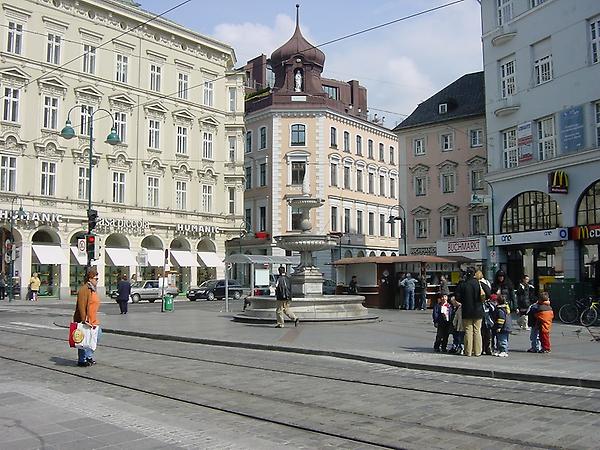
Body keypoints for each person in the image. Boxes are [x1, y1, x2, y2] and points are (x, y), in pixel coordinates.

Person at [456, 267, 489, 357]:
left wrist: (464, 300)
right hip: (478, 311)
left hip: (467, 310)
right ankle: (478, 351)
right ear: (474, 274)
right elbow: (489, 293)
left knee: (468, 331)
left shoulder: (463, 284)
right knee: (477, 331)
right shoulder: (479, 284)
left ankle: (468, 351)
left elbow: (457, 297)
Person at [73, 268, 101, 367]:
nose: (97, 280)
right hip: (85, 320)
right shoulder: (84, 289)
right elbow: (81, 305)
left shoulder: (92, 289)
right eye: (96, 278)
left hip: (93, 319)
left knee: (95, 337)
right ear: (90, 279)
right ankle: (82, 359)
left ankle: (88, 356)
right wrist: (84, 320)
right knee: (83, 339)